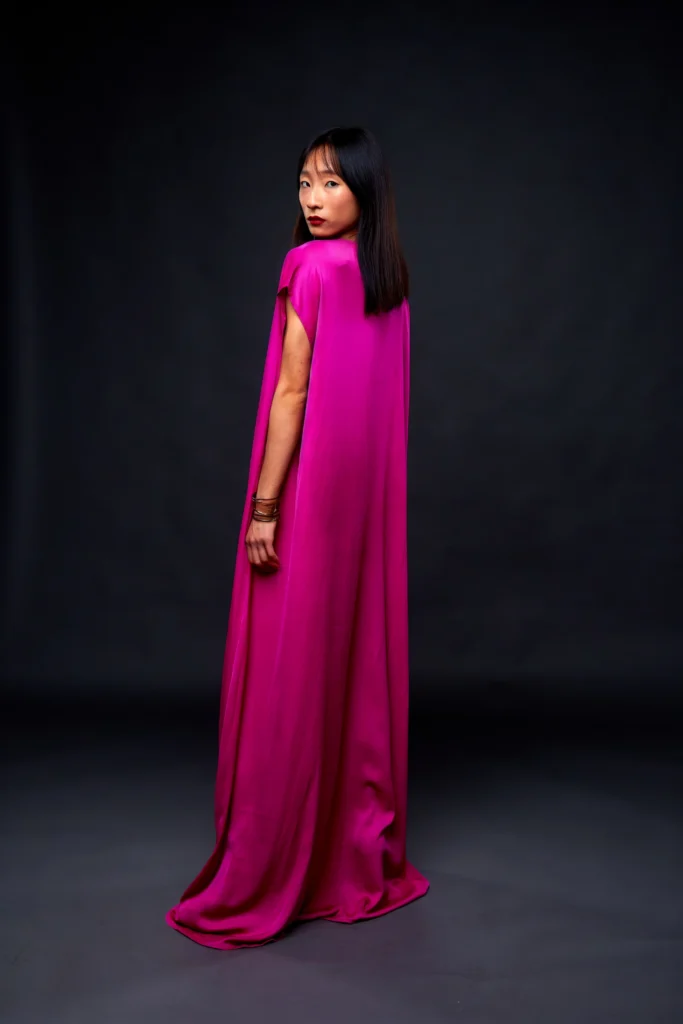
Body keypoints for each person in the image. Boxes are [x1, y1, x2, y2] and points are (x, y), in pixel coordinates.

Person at [165, 125, 430, 949]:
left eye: (331, 184)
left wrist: (265, 505)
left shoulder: (309, 267)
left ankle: (276, 861)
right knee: (347, 660)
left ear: (365, 191)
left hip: (311, 493)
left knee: (289, 666)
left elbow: (291, 393)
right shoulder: (389, 279)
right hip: (364, 501)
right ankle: (345, 855)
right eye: (305, 183)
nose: (313, 200)